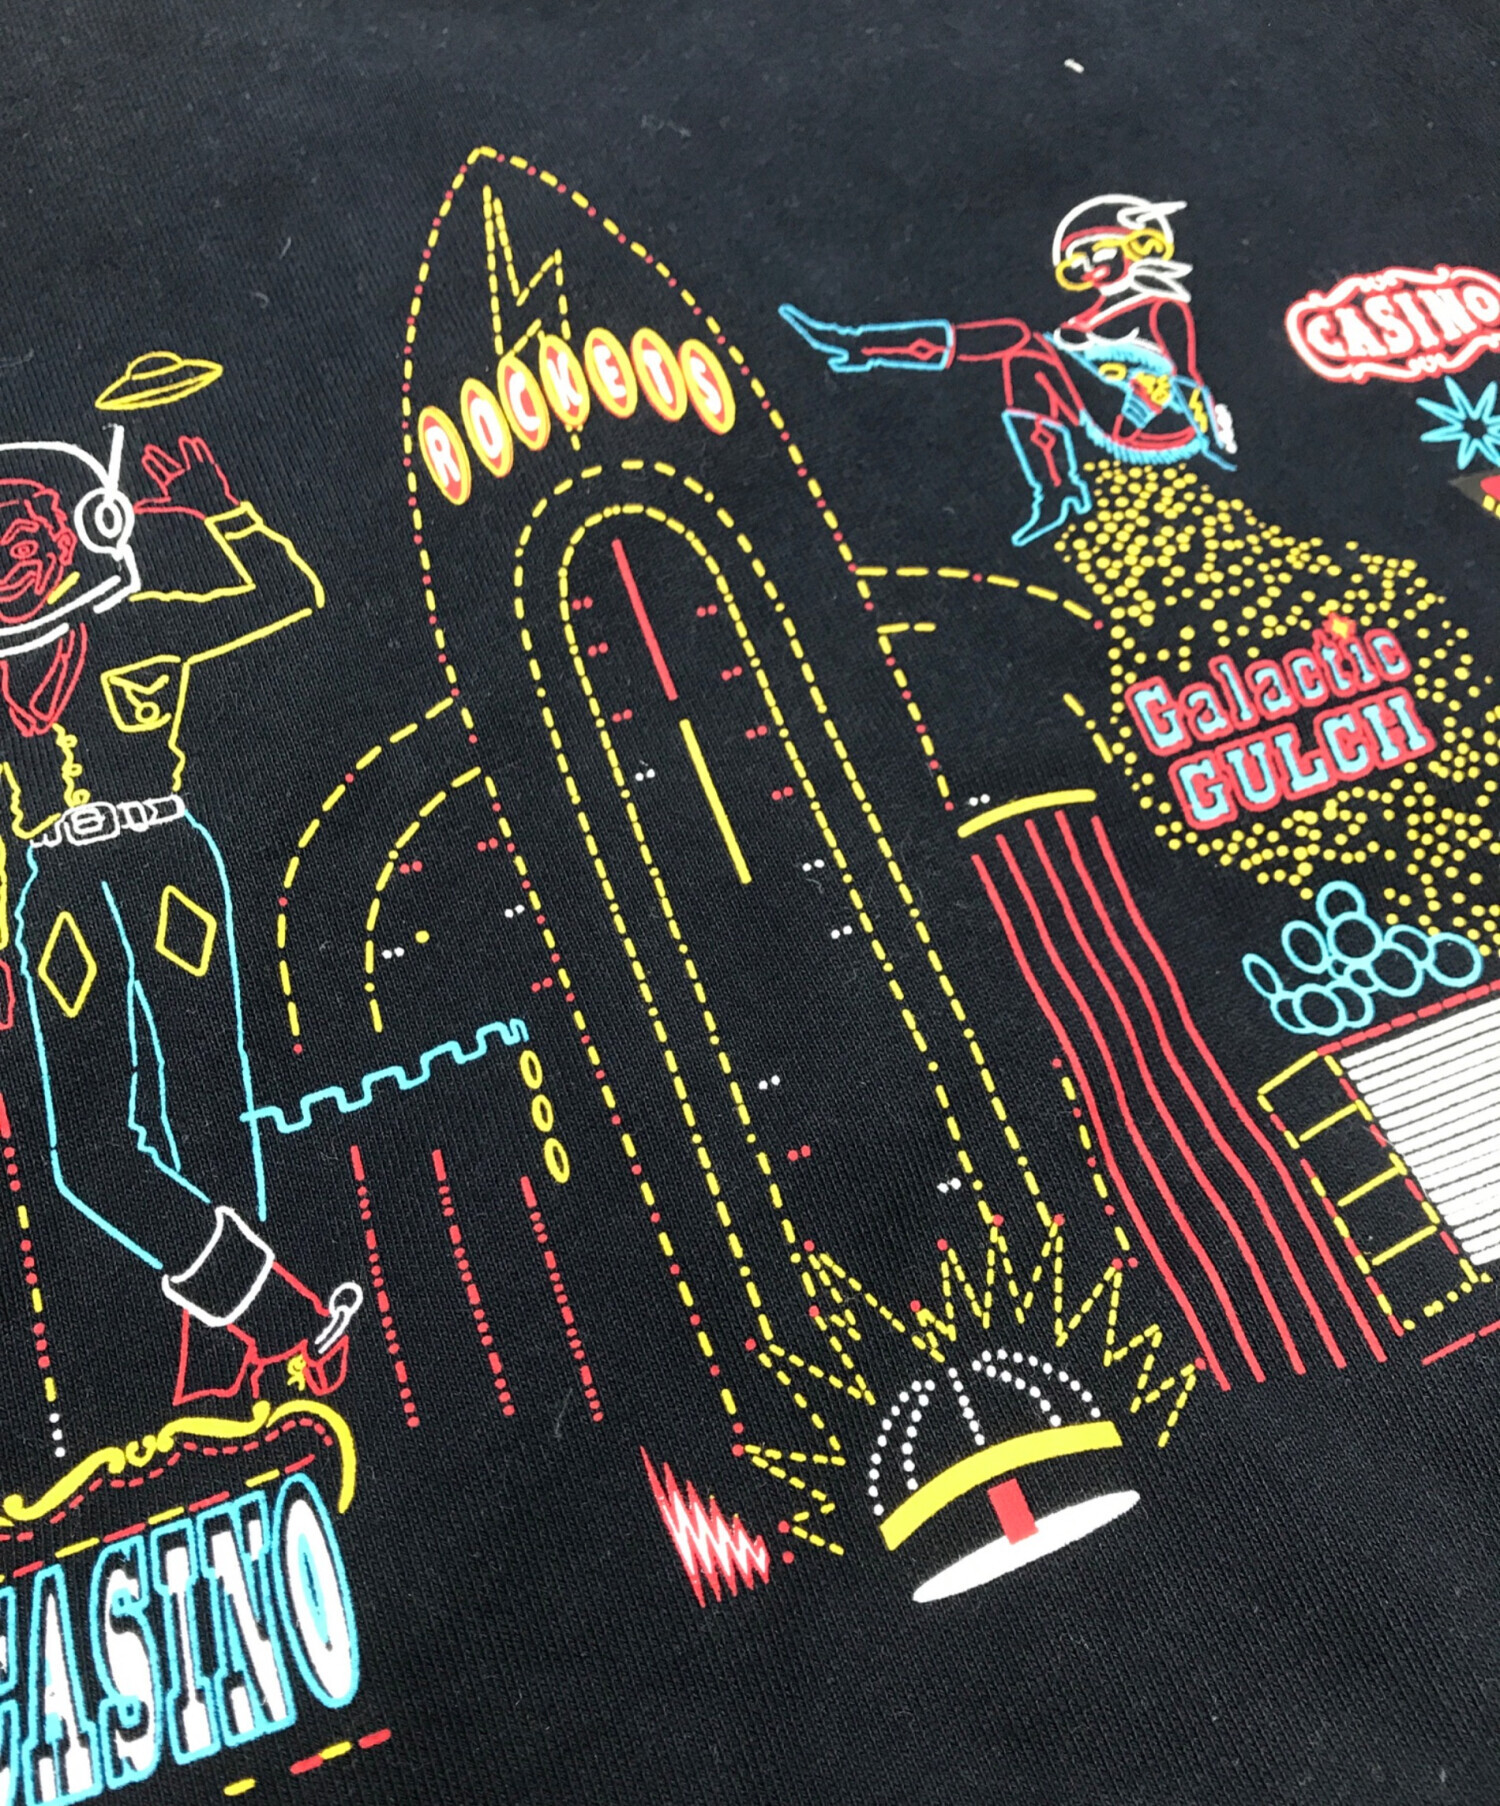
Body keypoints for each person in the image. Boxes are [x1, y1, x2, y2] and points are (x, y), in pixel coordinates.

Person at [0, 426, 360, 1410]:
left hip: (164, 870)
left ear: (75, 532)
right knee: (90, 1157)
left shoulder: (134, 628)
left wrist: (220, 512)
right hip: (57, 894)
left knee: (205, 1095)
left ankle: (226, 1349)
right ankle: (274, 1317)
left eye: (24, 533)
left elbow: (285, 595)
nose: (8, 559)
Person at [780, 194, 1236, 546]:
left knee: (1018, 337)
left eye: (1096, 252)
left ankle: (860, 345)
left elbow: (1186, 378)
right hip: (1106, 410)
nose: (1087, 268)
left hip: (1154, 422)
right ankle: (1057, 490)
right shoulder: (1083, 319)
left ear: (1137, 245)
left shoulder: (1161, 308)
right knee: (1023, 360)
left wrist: (1214, 442)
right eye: (1077, 261)